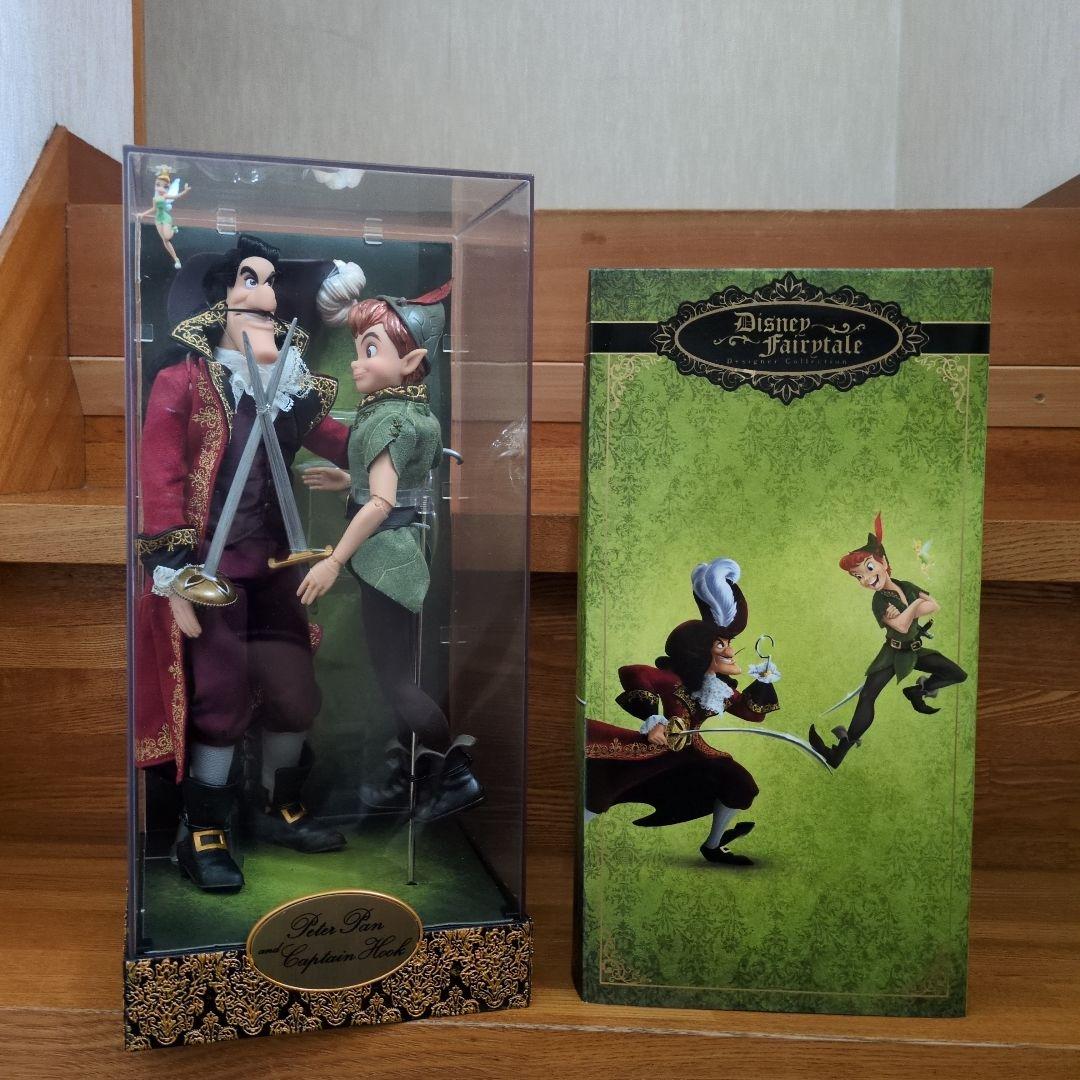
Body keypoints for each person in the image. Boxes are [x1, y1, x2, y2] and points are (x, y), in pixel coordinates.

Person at [135, 234, 366, 891]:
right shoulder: (183, 381)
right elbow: (160, 479)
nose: (266, 297)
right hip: (210, 574)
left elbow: (344, 440)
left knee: (295, 692)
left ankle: (277, 807)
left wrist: (400, 444)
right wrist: (175, 579)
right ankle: (202, 831)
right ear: (220, 304)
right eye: (250, 281)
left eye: (273, 286)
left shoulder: (291, 390)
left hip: (277, 569)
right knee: (219, 697)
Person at [297, 285, 484, 822]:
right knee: (397, 676)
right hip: (400, 553)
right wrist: (348, 480)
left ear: (411, 361)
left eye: (371, 349)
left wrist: (334, 560)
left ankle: (454, 773)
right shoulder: (408, 411)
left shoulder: (389, 418)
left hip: (387, 560)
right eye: (359, 348)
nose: (358, 361)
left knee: (397, 682)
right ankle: (417, 768)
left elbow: (382, 503)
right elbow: (400, 481)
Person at [585, 559, 779, 866]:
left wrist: (764, 681)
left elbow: (752, 713)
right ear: (699, 651)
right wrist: (653, 719)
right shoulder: (672, 680)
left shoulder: (717, 689)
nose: (730, 651)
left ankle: (713, 846)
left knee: (741, 785)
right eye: (721, 644)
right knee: (603, 791)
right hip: (658, 749)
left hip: (693, 753)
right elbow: (634, 672)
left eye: (729, 643)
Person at [808, 513, 967, 769]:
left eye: (869, 568)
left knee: (957, 674)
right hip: (891, 655)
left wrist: (909, 609)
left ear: (883, 562)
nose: (867, 579)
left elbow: (934, 606)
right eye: (858, 576)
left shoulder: (905, 585)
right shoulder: (879, 600)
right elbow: (902, 625)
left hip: (914, 651)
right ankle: (838, 754)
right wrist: (914, 607)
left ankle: (917, 691)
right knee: (867, 697)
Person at [139, 166, 190, 269]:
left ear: (168, 187)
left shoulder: (165, 196)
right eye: (158, 185)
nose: (161, 188)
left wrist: (185, 191)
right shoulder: (155, 198)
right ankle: (176, 258)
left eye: (165, 187)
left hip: (166, 218)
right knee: (164, 240)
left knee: (167, 237)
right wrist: (143, 214)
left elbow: (176, 196)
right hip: (158, 218)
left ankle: (173, 229)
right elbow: (153, 209)